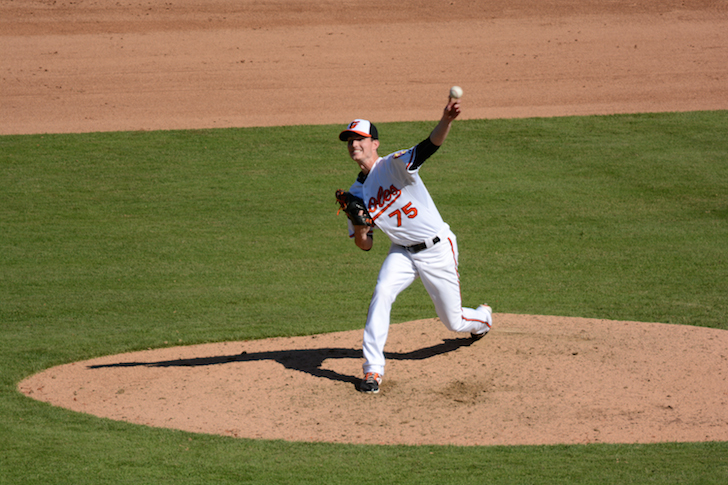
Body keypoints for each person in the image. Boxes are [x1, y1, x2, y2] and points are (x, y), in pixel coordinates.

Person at [338, 96, 493, 394]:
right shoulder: (355, 195)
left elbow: (428, 147)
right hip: (402, 252)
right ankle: (372, 370)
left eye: (359, 138)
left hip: (437, 248)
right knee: (382, 292)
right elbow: (365, 245)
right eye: (349, 140)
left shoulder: (394, 164)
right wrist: (359, 226)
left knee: (454, 320)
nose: (354, 144)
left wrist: (446, 120)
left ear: (374, 143)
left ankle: (482, 318)